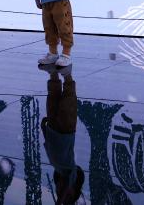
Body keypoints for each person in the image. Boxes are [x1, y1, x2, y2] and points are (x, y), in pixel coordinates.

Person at [42, 66, 85, 204]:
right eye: (68, 194)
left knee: (53, 96)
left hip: (52, 128)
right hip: (66, 129)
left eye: (59, 191)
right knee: (68, 99)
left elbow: (49, 145)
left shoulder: (57, 166)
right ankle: (67, 74)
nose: (61, 190)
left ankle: (53, 72)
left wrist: (44, 128)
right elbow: (68, 186)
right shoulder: (70, 172)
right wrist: (61, 200)